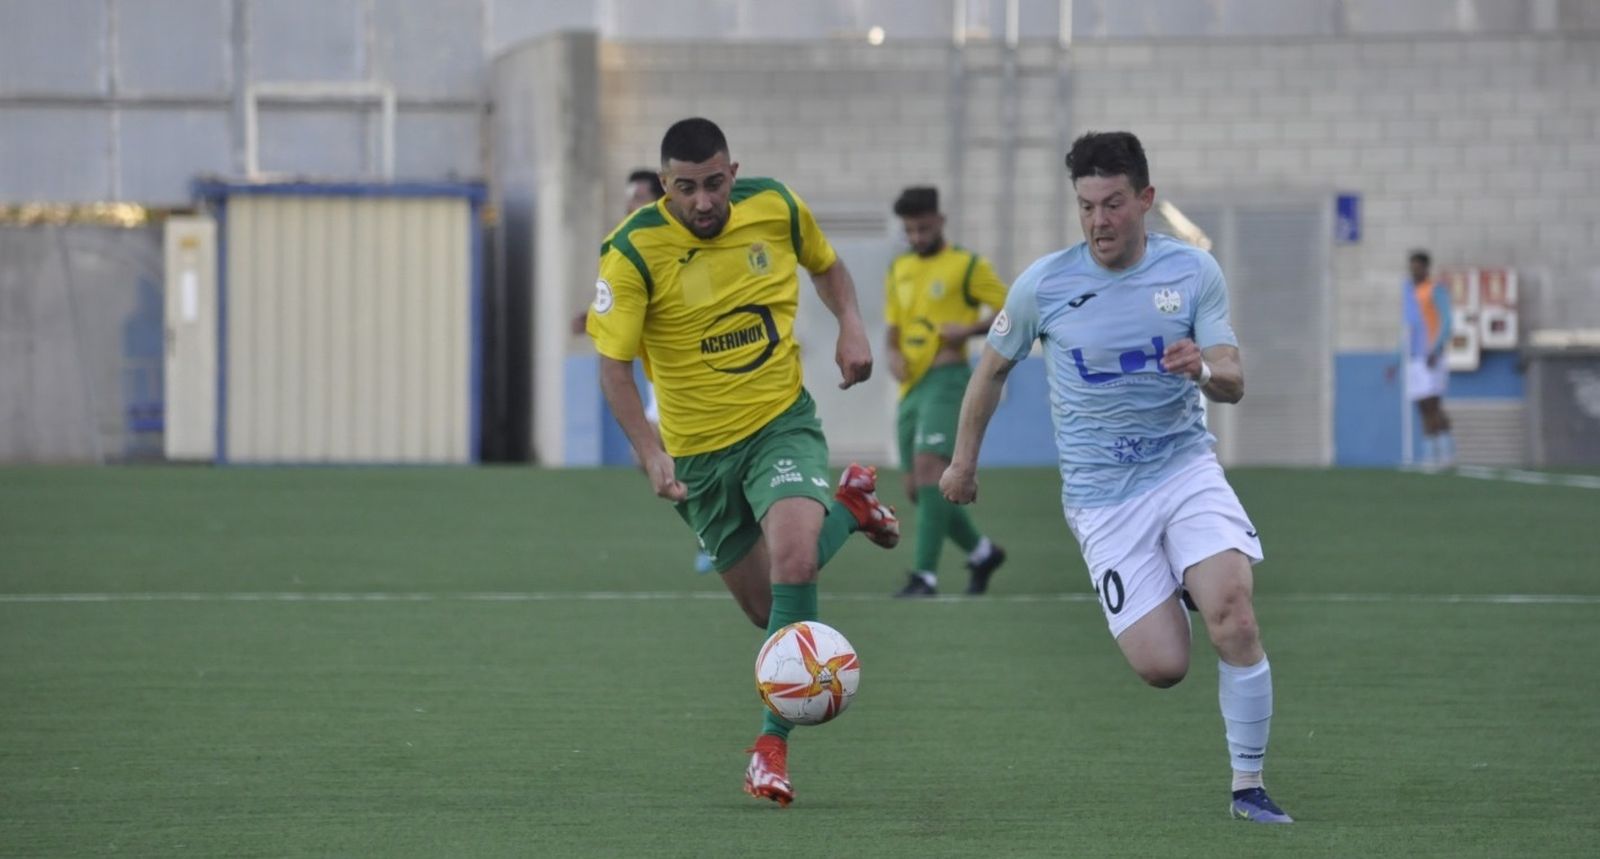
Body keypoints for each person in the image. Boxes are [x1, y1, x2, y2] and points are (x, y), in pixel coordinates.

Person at [939, 131, 1294, 824]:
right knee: (1163, 666)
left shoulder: (1192, 272)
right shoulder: (1045, 284)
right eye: (1086, 206)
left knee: (1234, 615)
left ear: (1145, 199)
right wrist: (963, 462)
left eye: (1113, 204)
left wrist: (1201, 368)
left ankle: (1248, 785)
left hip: (1184, 469)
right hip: (1102, 500)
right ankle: (1181, 585)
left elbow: (1233, 379)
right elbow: (991, 371)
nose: (1098, 221)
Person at [585, 117, 900, 807]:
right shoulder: (632, 251)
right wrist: (650, 452)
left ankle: (769, 748)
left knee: (795, 563)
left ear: (734, 172)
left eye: (714, 183)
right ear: (664, 184)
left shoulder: (775, 205)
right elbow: (612, 368)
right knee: (768, 612)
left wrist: (851, 323)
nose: (703, 201)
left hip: (779, 424)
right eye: (686, 188)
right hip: (698, 458)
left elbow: (827, 265)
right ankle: (850, 508)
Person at [884, 186, 1007, 597]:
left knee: (929, 469)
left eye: (923, 228)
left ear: (939, 221)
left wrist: (968, 330)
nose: (917, 237)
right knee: (918, 488)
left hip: (947, 378)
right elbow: (893, 327)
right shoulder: (899, 268)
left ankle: (924, 577)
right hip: (911, 388)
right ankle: (982, 552)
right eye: (910, 230)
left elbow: (1010, 309)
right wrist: (891, 353)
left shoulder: (966, 265)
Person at [1403, 250, 1454, 468]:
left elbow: (1447, 322)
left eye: (1418, 267)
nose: (1414, 271)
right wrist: (1397, 359)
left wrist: (1436, 349)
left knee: (1433, 405)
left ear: (1426, 268)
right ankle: (1430, 455)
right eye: (1411, 267)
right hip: (1414, 357)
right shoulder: (1408, 292)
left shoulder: (1435, 290)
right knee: (1422, 406)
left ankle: (1446, 452)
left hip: (1431, 356)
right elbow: (1409, 328)